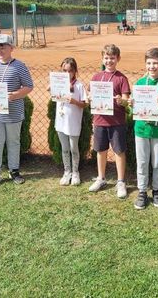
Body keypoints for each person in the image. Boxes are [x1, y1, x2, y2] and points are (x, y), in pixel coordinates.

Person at [0, 34, 33, 189]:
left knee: (13, 142)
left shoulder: (19, 66)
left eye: (3, 46)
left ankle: (14, 171)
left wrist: (15, 95)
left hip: (13, 112)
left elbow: (29, 86)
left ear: (11, 48)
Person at [129, 48, 158, 209]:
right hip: (141, 130)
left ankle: (156, 189)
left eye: (155, 63)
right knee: (142, 162)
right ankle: (142, 190)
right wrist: (131, 106)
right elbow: (133, 111)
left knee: (157, 162)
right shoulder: (140, 83)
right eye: (149, 63)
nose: (152, 66)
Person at [88, 44, 130, 198]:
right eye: (106, 58)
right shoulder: (96, 77)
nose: (109, 61)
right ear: (102, 58)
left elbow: (126, 101)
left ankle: (120, 181)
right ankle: (101, 178)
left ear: (118, 59)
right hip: (99, 120)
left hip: (116, 122)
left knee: (119, 151)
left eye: (112, 58)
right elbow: (90, 96)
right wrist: (89, 97)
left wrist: (121, 100)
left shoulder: (121, 78)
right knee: (101, 150)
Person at [53, 58, 87, 186]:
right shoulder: (58, 84)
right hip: (61, 122)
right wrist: (53, 84)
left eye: (70, 71)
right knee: (65, 148)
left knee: (74, 148)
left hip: (73, 123)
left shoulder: (79, 85)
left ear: (75, 71)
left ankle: (75, 172)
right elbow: (49, 89)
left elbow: (84, 105)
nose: (67, 74)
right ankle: (67, 171)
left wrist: (74, 102)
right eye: (64, 71)